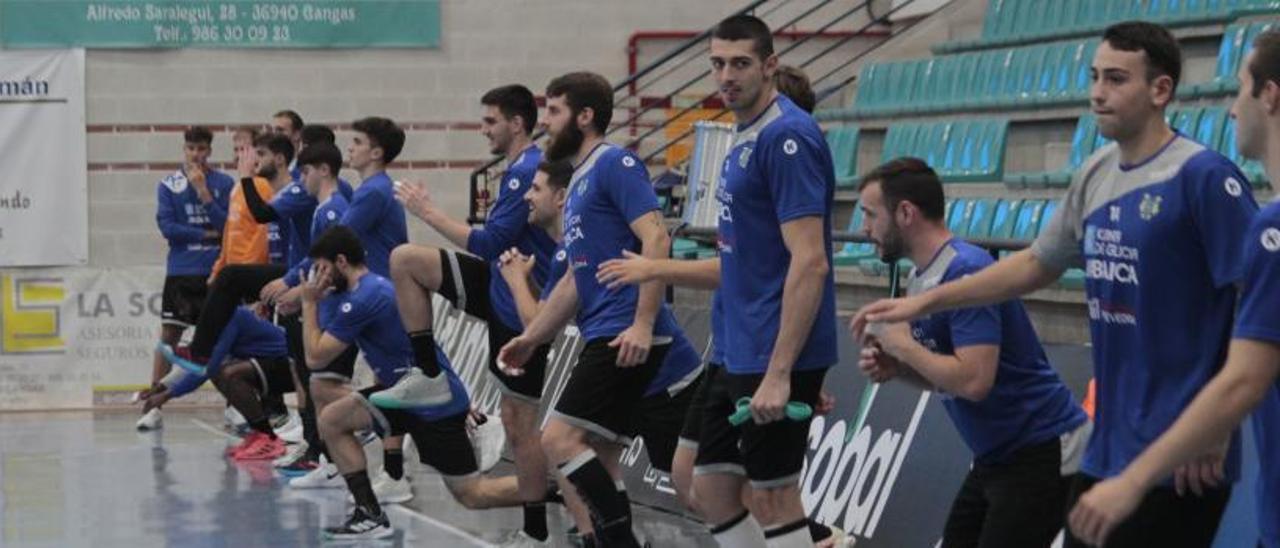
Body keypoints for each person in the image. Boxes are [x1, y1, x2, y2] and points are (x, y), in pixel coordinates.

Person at [852, 21, 1260, 547]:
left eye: (1115, 79)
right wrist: (924, 301)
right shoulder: (1094, 173)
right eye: (1094, 77)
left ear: (1160, 91)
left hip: (1182, 446)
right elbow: (1033, 265)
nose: (1097, 93)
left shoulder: (1204, 177)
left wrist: (1219, 425)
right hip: (1107, 443)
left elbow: (1251, 299)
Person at [1068, 29, 1280, 548]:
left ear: (1270, 95)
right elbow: (1036, 261)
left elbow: (1243, 380)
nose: (1232, 109)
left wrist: (1134, 481)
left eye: (1240, 89)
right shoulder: (1095, 173)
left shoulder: (1248, 212)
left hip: (1170, 467)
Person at [653, 16, 838, 548]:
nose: (726, 76)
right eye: (717, 64)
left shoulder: (787, 138)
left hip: (769, 348)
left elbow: (811, 262)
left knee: (774, 495)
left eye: (740, 63)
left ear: (770, 65)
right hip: (738, 343)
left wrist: (785, 370)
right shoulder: (744, 133)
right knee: (708, 486)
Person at [496, 71, 697, 548]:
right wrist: (532, 338)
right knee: (611, 455)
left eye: (555, 112)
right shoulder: (583, 179)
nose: (546, 123)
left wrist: (644, 324)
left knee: (559, 440)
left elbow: (656, 237)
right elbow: (573, 281)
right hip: (608, 331)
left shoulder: (614, 163)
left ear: (585, 117)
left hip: (625, 332)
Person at [855, 157, 1090, 547]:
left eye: (869, 214)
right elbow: (947, 380)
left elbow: (975, 381)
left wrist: (903, 345)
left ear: (906, 213)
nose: (864, 229)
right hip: (997, 457)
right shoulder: (921, 277)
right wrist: (899, 366)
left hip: (1041, 451)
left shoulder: (964, 270)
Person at [365, 85, 557, 545]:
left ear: (516, 123)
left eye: (491, 121)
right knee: (406, 260)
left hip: (519, 305)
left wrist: (427, 210)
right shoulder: (516, 171)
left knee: (519, 426)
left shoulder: (526, 169)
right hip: (496, 283)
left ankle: (536, 531)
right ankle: (429, 371)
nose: (483, 129)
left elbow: (489, 243)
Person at [300, 226, 524, 541]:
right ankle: (370, 513)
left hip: (433, 404)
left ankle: (557, 491)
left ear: (340, 262)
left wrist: (309, 303)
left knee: (472, 494)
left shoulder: (365, 298)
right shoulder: (363, 291)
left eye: (321, 268)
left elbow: (315, 357)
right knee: (333, 419)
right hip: (407, 397)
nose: (317, 278)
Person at [139, 126, 232, 431]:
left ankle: (235, 405)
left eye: (201, 149)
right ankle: (153, 405)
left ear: (209, 150)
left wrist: (205, 195)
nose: (196, 154)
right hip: (181, 271)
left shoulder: (224, 183)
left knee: (225, 340)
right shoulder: (169, 185)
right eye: (191, 148)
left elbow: (228, 228)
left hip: (216, 272)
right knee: (168, 339)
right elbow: (169, 228)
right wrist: (206, 233)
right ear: (184, 149)